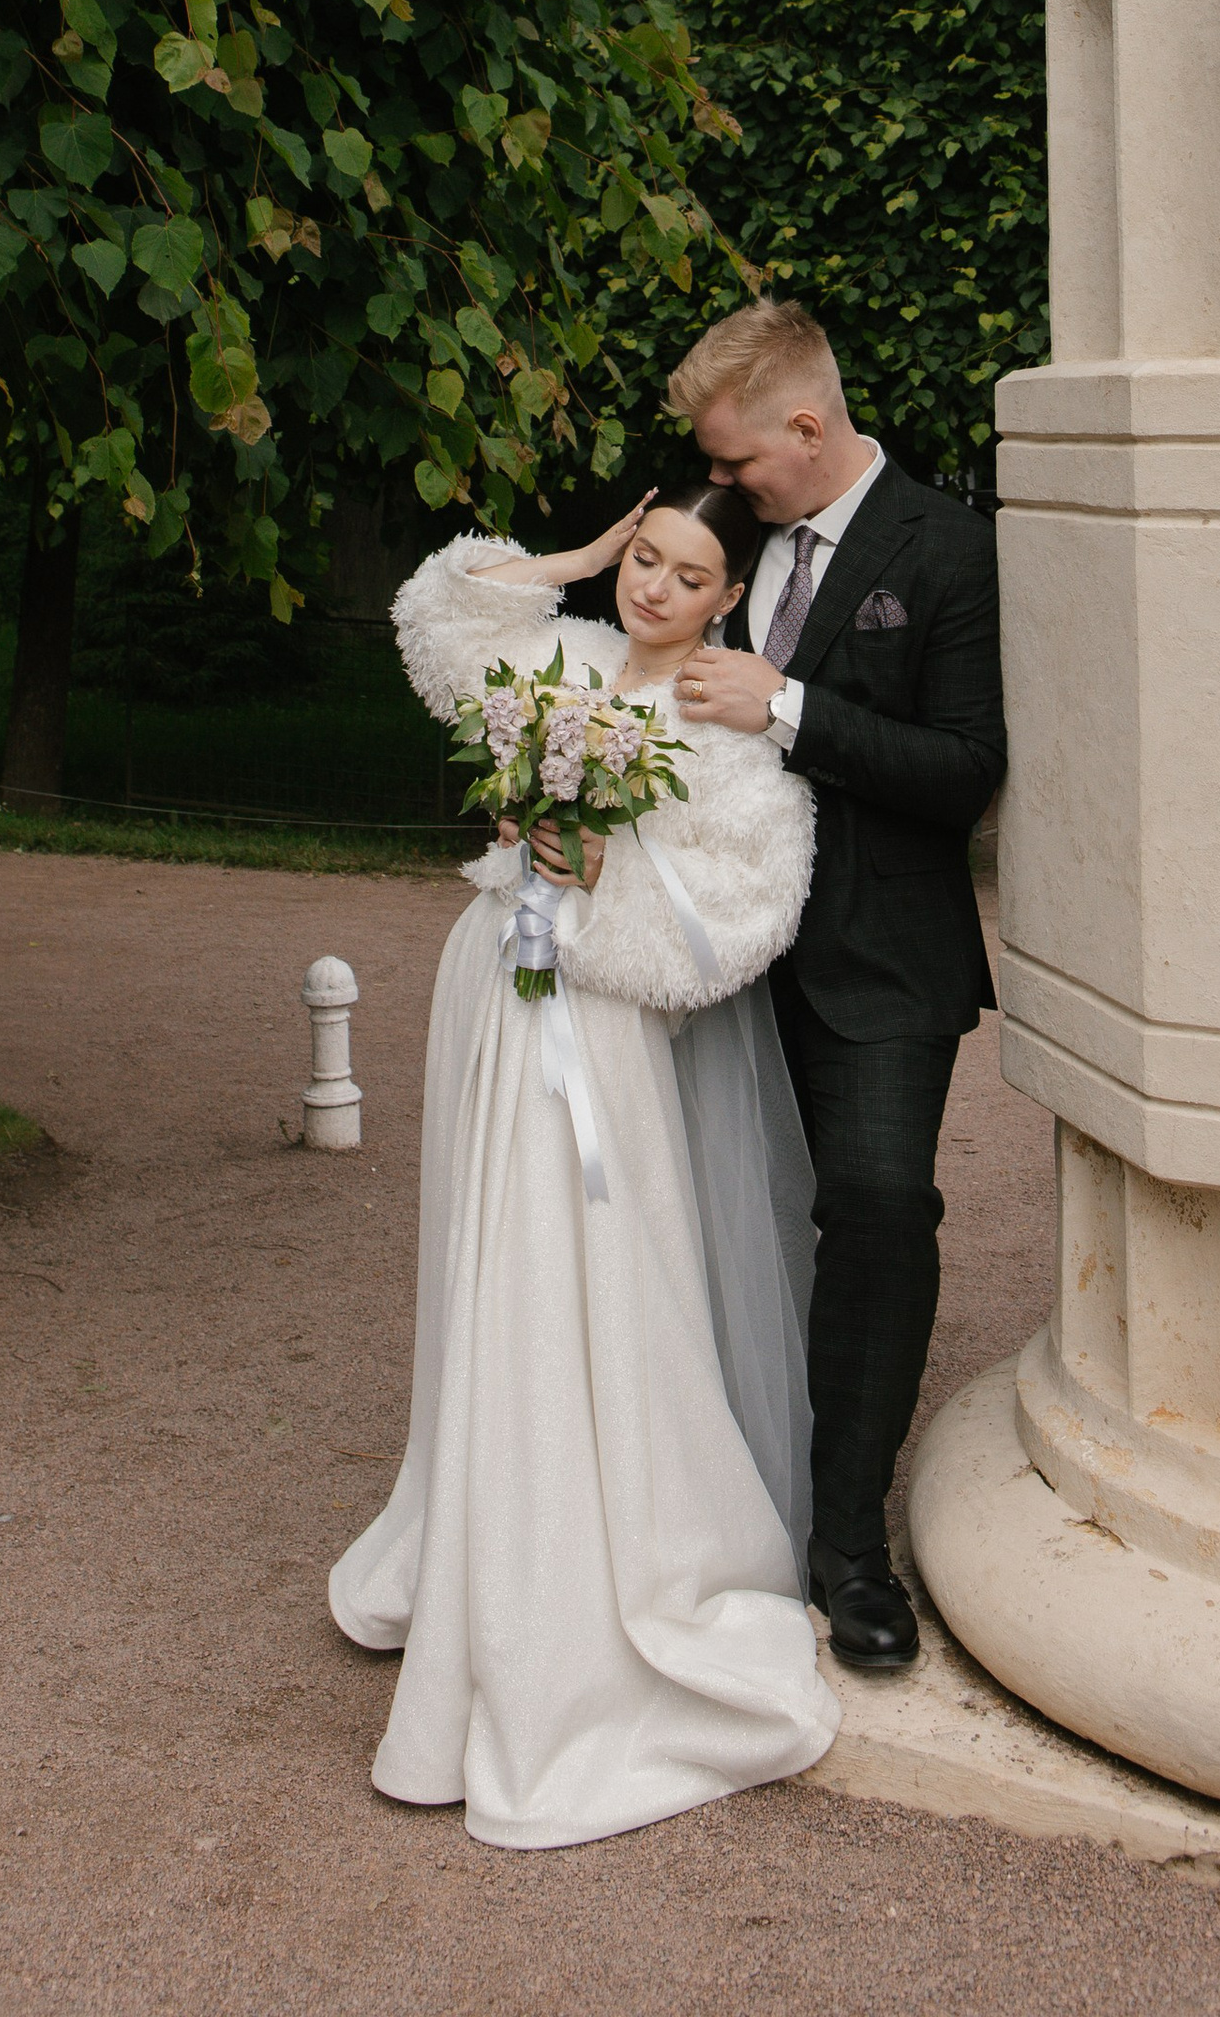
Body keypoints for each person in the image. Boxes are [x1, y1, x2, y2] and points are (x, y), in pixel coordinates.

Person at [328, 475, 840, 1849]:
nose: (654, 588)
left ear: (731, 597)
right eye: (646, 558)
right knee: (487, 1260)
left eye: (686, 574)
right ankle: (474, 1523)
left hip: (598, 1032)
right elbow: (436, 616)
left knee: (589, 1269)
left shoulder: (728, 724)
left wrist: (607, 880)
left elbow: (747, 916)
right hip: (492, 993)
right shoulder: (563, 653)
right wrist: (576, 554)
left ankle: (594, 1559)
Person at [665, 299, 1005, 1675]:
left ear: (807, 427)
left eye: (738, 459)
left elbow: (964, 770)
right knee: (692, 1212)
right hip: (713, 954)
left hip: (883, 959)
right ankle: (699, 1502)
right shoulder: (725, 530)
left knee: (875, 1213)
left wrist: (789, 707)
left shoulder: (951, 549)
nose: (719, 481)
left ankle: (850, 1545)